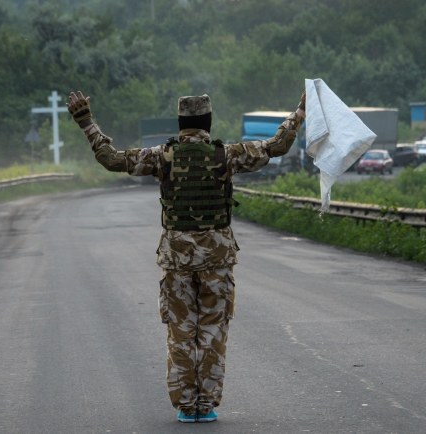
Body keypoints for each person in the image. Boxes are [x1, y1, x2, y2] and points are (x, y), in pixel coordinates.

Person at [67, 89, 305, 423]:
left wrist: (86, 122)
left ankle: (185, 405)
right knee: (212, 332)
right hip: (217, 260)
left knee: (181, 333)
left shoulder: (160, 156)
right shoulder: (228, 155)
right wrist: (298, 113)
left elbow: (110, 158)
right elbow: (277, 147)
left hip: (176, 261)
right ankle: (205, 405)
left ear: (180, 123)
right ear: (208, 121)